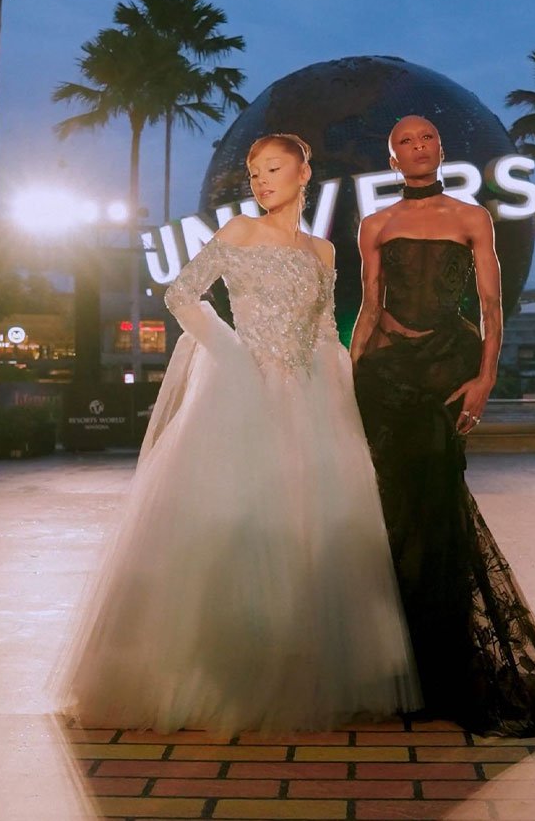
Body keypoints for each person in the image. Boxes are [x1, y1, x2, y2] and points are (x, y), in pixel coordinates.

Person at [55, 133, 420, 735]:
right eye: (253, 174)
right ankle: (220, 671)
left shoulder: (324, 252)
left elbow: (327, 327)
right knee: (243, 522)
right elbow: (181, 295)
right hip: (243, 393)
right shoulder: (236, 235)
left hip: (312, 399)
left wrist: (332, 384)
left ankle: (306, 666)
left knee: (311, 526)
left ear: (306, 171)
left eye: (273, 169)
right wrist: (231, 354)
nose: (261, 182)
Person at [351, 114, 535, 737]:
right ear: (392, 158)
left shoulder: (471, 217)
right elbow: (370, 307)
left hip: (449, 365)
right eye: (404, 141)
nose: (417, 147)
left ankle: (448, 671)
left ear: (439, 149)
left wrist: (485, 377)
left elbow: (491, 304)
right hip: (386, 375)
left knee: (439, 505)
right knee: (391, 511)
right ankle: (401, 669)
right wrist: (350, 374)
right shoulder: (375, 223)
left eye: (426, 137)